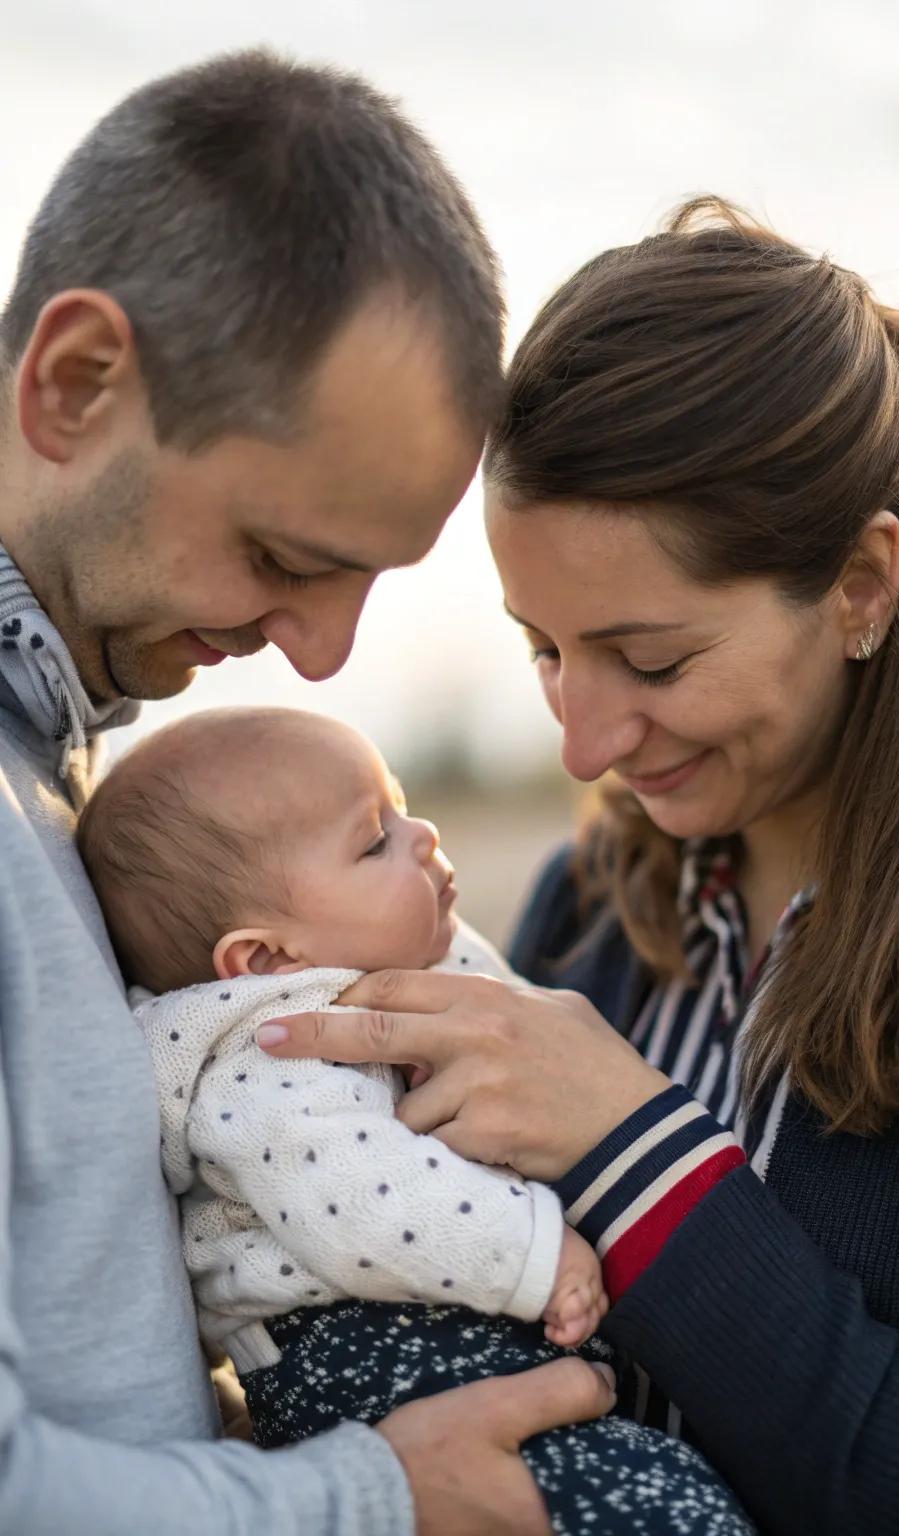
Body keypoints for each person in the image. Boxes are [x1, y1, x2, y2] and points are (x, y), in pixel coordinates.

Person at [267, 199, 899, 1535]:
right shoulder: (591, 910)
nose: (585, 744)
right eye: (544, 649)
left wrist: (634, 1147)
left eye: (654, 661)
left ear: (860, 584)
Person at [0, 49, 615, 1536]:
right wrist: (365, 1498)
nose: (322, 656)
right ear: (78, 384)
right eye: (285, 557)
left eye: (367, 586)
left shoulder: (53, 781)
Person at [77, 704, 756, 1536]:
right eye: (375, 841)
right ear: (266, 959)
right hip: (378, 1363)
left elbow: (503, 1000)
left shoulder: (386, 977)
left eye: (402, 807)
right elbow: (360, 1200)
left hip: (470, 1359)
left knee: (670, 1492)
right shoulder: (266, 1059)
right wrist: (540, 1254)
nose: (425, 833)